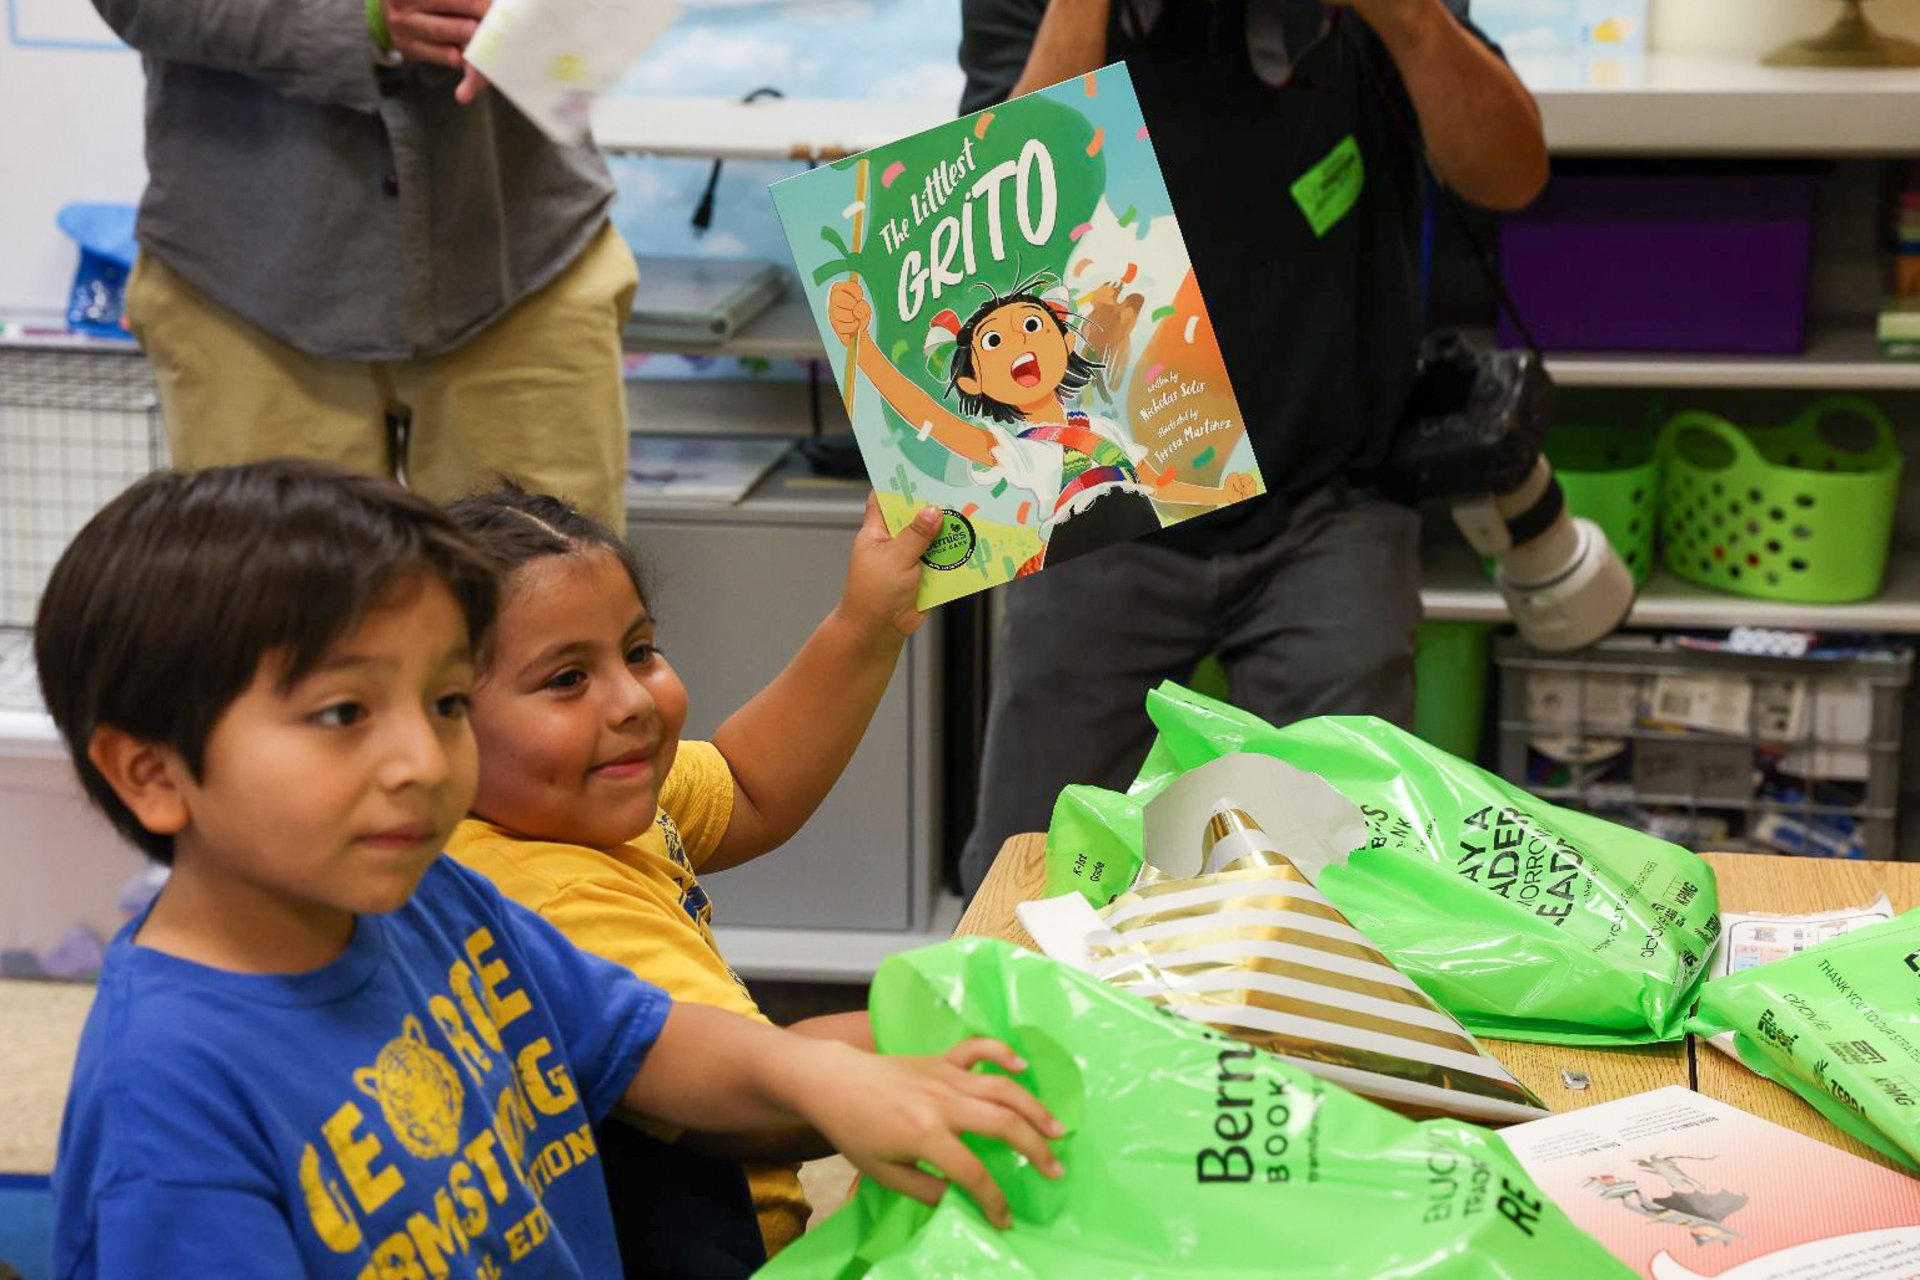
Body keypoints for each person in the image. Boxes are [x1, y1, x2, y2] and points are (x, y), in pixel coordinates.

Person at [35, 460, 1063, 1278]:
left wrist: (818, 1070)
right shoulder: (166, 1102)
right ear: (153, 774)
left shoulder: (432, 895)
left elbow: (641, 1034)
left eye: (442, 704)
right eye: (345, 713)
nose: (424, 760)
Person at [955, 0, 1549, 893]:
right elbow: (995, 238)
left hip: (1329, 492)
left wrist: (1409, 18)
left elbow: (1509, 174)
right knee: (1033, 872)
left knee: (1346, 883)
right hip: (1100, 486)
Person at [442, 483, 940, 1266]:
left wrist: (868, 621)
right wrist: (988, 1015)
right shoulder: (545, 892)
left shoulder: (581, 792)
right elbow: (756, 1101)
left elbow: (748, 787)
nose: (632, 700)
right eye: (566, 679)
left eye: (639, 651)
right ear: (437, 724)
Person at [92, 0, 635, 527]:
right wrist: (352, 18)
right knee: (285, 611)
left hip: (521, 258)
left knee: (554, 604)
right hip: (250, 284)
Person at [825, 273, 1259, 574]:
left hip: (1145, 528)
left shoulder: (1103, 428)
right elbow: (932, 419)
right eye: (993, 341)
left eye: (1033, 325)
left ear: (1065, 339)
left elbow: (1158, 484)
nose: (1020, 343)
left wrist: (1222, 494)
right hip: (1077, 549)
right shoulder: (1015, 448)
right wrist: (861, 348)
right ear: (972, 381)